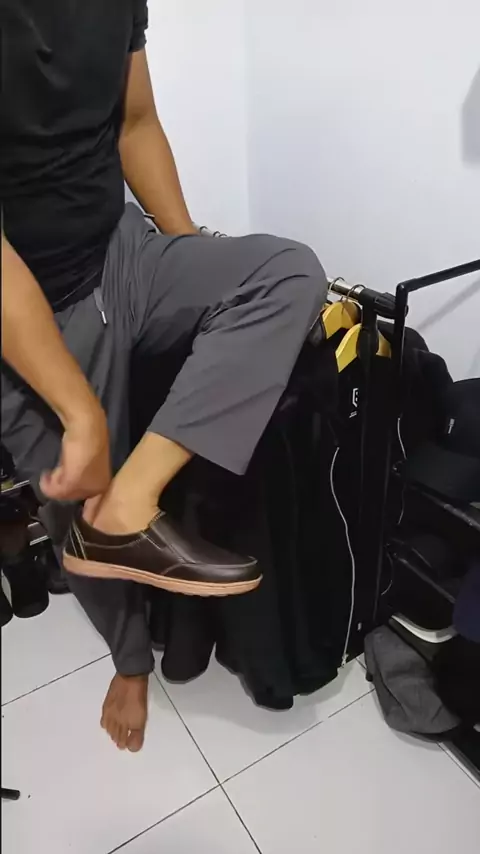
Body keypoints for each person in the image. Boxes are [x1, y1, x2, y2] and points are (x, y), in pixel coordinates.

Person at [1, 0, 328, 752]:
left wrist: (190, 266)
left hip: (119, 250)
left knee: (288, 273)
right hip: (29, 300)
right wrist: (80, 413)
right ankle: (131, 664)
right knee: (74, 504)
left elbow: (136, 122)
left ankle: (130, 503)